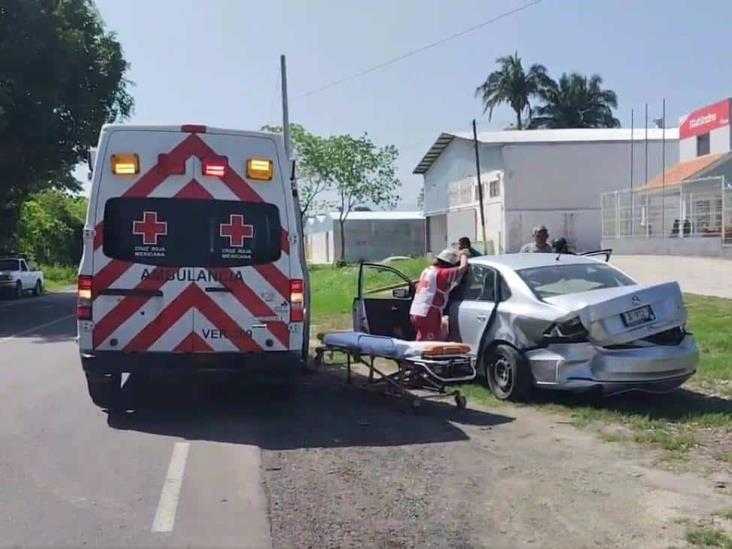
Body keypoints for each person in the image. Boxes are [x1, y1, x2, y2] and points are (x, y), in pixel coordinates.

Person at [409, 248, 469, 341]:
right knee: (432, 342)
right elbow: (463, 268)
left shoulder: (428, 270)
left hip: (416, 311)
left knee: (422, 337)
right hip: (429, 313)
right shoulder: (442, 273)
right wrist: (464, 254)